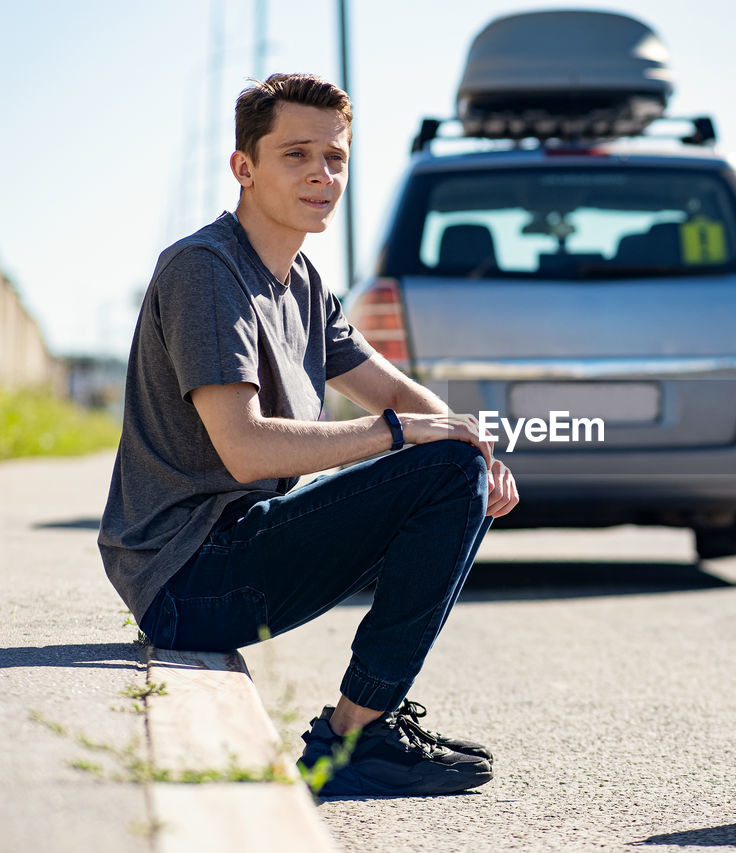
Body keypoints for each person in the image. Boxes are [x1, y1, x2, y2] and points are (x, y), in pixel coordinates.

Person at [98, 72, 518, 797]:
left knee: (456, 464)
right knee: (444, 467)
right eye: (296, 155)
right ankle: (356, 736)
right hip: (188, 574)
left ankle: (366, 725)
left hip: (235, 550)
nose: (322, 175)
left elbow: (389, 388)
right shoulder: (206, 271)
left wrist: (470, 442)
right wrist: (412, 437)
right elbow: (246, 446)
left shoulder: (303, 281)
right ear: (245, 167)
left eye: (336, 158)